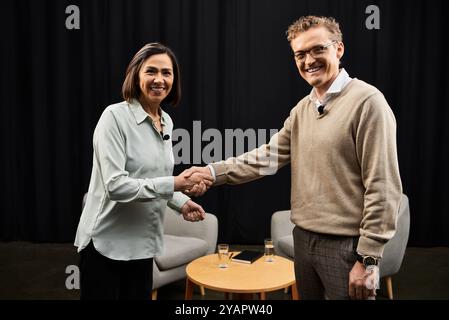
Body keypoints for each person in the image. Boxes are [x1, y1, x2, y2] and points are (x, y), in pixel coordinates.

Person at [186, 16, 402, 300]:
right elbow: (266, 157)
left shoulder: (368, 102)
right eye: (300, 54)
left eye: (317, 50)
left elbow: (383, 187)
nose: (308, 60)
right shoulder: (302, 109)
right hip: (303, 239)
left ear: (338, 49)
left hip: (347, 247)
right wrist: (212, 173)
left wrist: (368, 258)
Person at [74, 43, 213, 300]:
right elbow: (116, 186)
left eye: (167, 73)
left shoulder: (165, 120)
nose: (159, 79)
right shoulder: (113, 117)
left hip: (143, 245)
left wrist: (181, 202)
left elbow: (152, 177)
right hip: (107, 245)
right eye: (151, 71)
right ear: (136, 75)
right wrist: (174, 184)